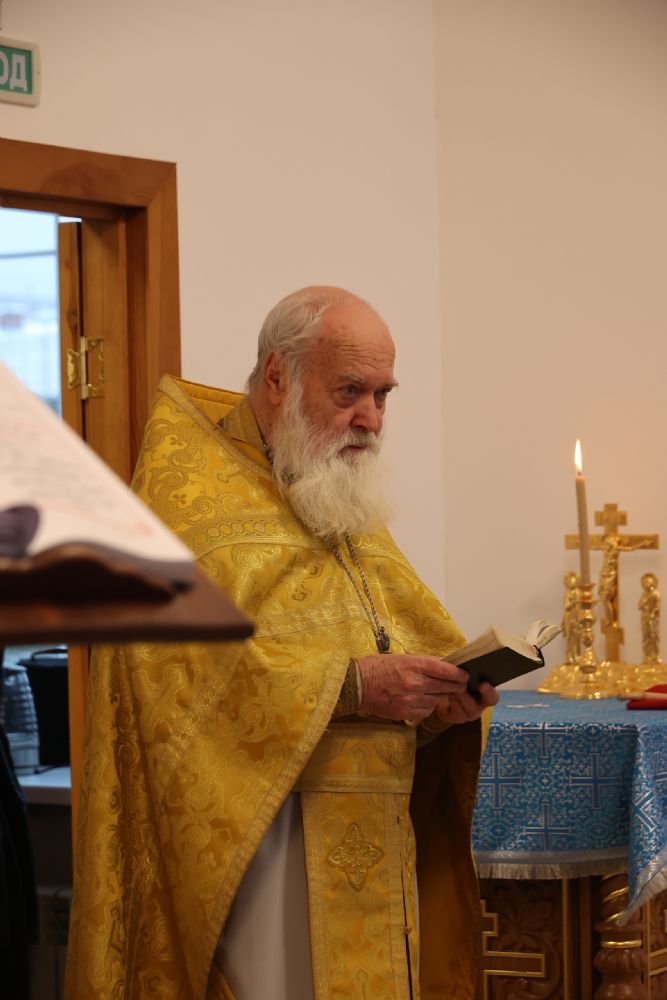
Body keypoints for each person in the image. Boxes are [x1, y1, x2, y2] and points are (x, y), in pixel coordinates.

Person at [65, 286, 498, 1000]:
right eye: (349, 391)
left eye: (382, 395)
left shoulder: (334, 493)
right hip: (268, 854)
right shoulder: (190, 501)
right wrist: (352, 687)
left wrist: (436, 708)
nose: (369, 418)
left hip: (378, 837)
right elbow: (178, 677)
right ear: (277, 376)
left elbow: (387, 642)